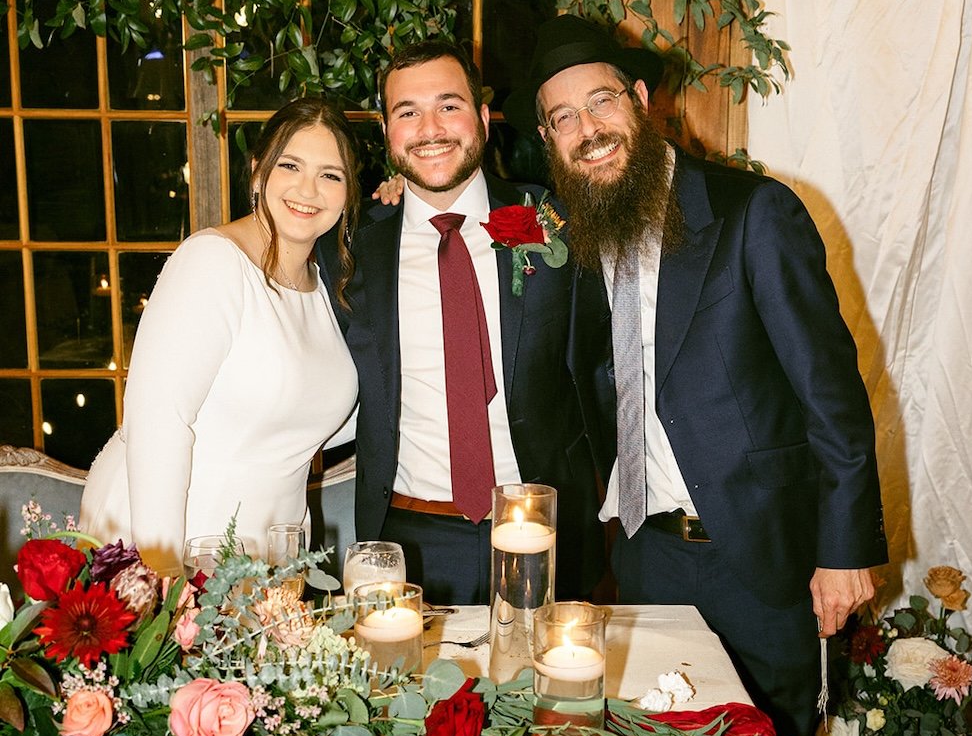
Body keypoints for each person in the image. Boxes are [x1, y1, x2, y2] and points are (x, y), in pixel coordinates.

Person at [503, 13, 925, 736]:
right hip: (637, 563)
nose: (586, 130)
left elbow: (835, 400)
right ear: (549, 145)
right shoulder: (577, 244)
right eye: (560, 120)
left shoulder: (753, 215)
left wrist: (845, 549)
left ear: (643, 104)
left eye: (599, 103)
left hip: (757, 563)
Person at [317, 37, 601, 605]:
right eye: (407, 112)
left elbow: (603, 367)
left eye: (449, 105)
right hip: (407, 539)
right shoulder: (349, 250)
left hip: (545, 530)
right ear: (385, 129)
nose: (431, 128)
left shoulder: (554, 221)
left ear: (484, 118)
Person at [81, 97, 360, 574]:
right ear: (257, 173)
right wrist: (161, 573)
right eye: (290, 166)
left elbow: (307, 417)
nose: (308, 189)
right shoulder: (211, 263)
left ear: (349, 193)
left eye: (330, 175)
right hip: (179, 546)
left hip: (269, 562)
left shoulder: (321, 286)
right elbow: (158, 423)